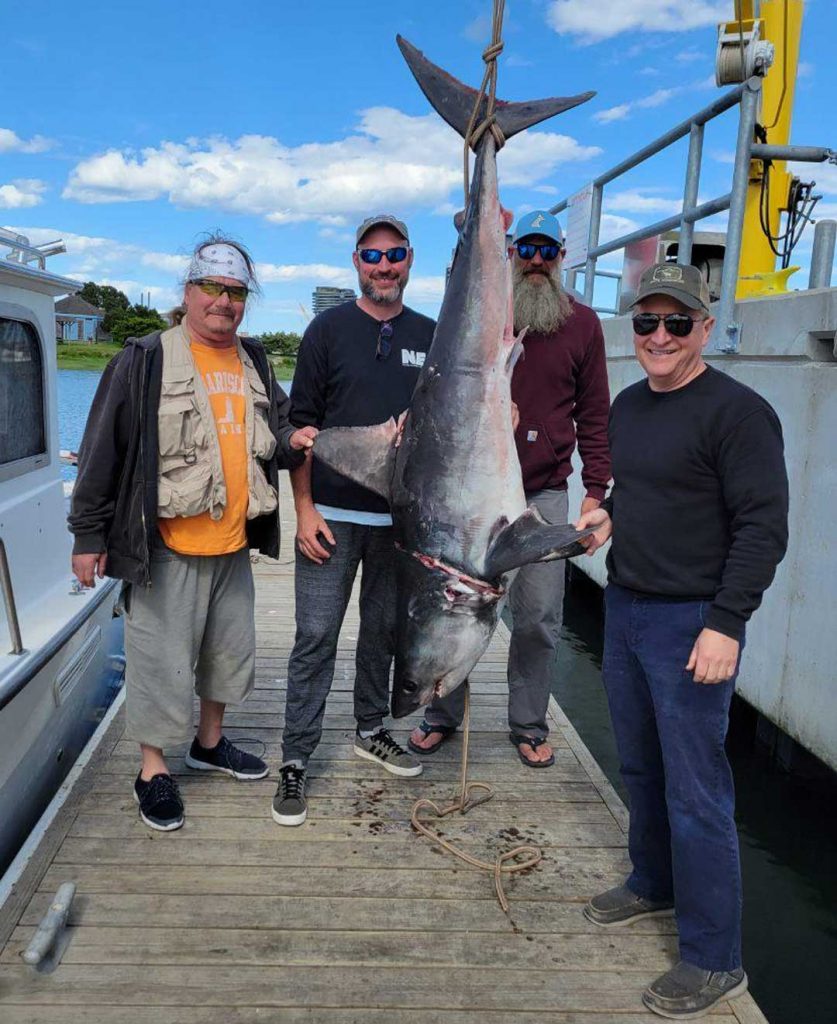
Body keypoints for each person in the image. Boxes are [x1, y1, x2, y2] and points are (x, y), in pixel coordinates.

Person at [576, 263, 789, 1019]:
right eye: (645, 323)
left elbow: (763, 528)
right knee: (638, 764)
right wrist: (604, 519)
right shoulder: (630, 406)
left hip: (692, 621)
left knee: (697, 790)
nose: (658, 337)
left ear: (703, 328)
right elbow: (635, 493)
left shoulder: (738, 413)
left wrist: (726, 622)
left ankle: (712, 957)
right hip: (627, 603)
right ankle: (650, 882)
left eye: (675, 323)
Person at [68, 235, 316, 832]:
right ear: (189, 290)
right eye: (213, 287)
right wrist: (87, 535)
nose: (223, 302)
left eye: (234, 292)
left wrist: (300, 440)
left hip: (233, 546)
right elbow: (104, 447)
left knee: (227, 657)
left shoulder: (254, 360)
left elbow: (278, 433)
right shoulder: (144, 357)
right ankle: (153, 771)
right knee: (160, 662)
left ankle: (209, 743)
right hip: (164, 548)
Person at [409, 209, 611, 767]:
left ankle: (528, 723)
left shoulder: (585, 325)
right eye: (527, 249)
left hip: (542, 492)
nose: (538, 260)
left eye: (549, 250)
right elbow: (450, 342)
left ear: (563, 255)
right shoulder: (487, 319)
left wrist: (595, 487)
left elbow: (595, 413)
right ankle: (440, 712)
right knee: (456, 605)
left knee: (540, 617)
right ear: (511, 254)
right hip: (470, 496)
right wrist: (467, 234)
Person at [273, 214, 436, 827]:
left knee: (383, 632)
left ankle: (372, 727)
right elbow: (297, 430)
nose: (384, 265)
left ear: (411, 259)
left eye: (395, 254)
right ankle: (295, 757)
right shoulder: (326, 330)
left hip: (401, 522)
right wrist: (304, 509)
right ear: (356, 262)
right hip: (333, 517)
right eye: (373, 255)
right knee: (315, 636)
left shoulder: (431, 333)